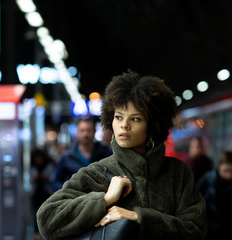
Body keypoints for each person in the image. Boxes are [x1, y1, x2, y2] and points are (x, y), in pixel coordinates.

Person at [37, 71, 207, 239]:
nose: (124, 125)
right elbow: (47, 219)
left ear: (153, 125)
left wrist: (137, 217)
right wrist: (105, 199)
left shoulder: (177, 173)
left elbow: (196, 229)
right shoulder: (97, 172)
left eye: (135, 119)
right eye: (118, 117)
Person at [50, 117, 112, 192]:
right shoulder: (67, 156)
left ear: (94, 131)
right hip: (74, 199)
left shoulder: (105, 153)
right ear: (77, 133)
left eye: (89, 130)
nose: (85, 134)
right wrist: (68, 190)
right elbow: (55, 183)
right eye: (82, 130)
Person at [197, 150, 232, 240]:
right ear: (219, 167)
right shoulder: (208, 179)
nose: (228, 175)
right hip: (208, 231)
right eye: (226, 171)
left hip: (230, 231)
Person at [29, 148, 56, 240]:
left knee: (47, 213)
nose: (38, 160)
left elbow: (53, 178)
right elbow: (30, 179)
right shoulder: (32, 167)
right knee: (36, 214)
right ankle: (37, 233)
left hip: (46, 194)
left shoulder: (48, 166)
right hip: (36, 195)